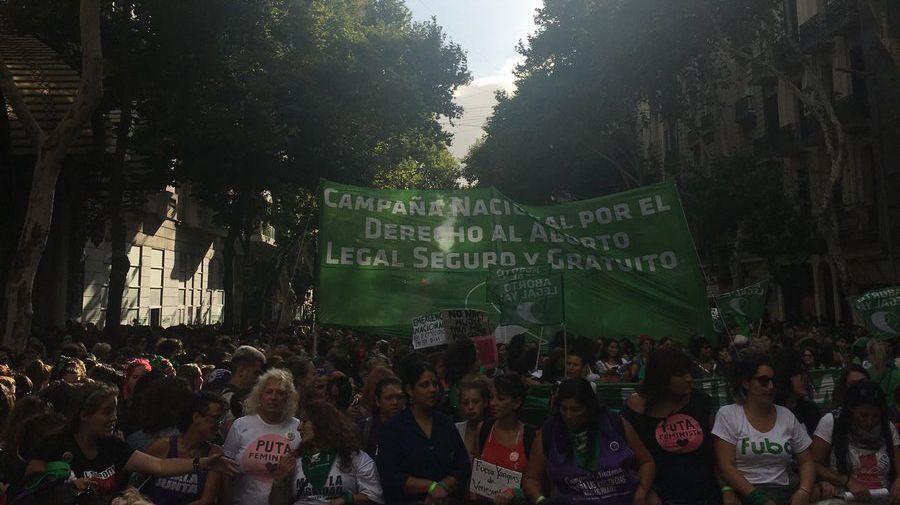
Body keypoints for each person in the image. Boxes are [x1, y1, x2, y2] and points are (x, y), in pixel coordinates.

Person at [25, 381, 237, 499]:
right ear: (84, 415)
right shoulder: (56, 443)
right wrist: (68, 487)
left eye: (115, 411)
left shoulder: (112, 447)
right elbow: (31, 483)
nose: (114, 418)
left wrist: (201, 463)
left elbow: (160, 465)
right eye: (107, 412)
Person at [523, 377, 656, 505]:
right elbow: (531, 478)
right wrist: (540, 500)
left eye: (576, 410)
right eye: (563, 408)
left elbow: (646, 462)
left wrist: (642, 492)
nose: (568, 415)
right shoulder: (548, 432)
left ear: (589, 407)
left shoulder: (615, 424)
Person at [713, 353, 815, 505]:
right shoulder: (728, 415)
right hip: (746, 493)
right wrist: (758, 498)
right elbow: (726, 465)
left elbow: (806, 460)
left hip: (785, 493)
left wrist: (804, 491)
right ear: (746, 382)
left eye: (773, 381)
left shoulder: (786, 415)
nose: (771, 386)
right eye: (763, 381)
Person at [623, 348, 720, 505]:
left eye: (689, 372)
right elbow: (629, 458)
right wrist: (646, 491)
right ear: (662, 378)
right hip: (660, 497)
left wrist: (727, 490)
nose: (689, 379)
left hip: (706, 495)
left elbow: (717, 451)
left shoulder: (701, 402)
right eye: (681, 375)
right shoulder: (636, 408)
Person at [376, 358, 471, 504]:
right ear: (409, 390)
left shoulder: (445, 423)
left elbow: (462, 466)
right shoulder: (394, 428)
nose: (432, 389)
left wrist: (443, 486)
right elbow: (390, 475)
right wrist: (431, 487)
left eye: (434, 384)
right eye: (425, 385)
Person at [269, 400, 384, 505]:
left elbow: (375, 498)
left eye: (304, 421)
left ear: (321, 423)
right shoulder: (293, 461)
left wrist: (348, 500)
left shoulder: (355, 458)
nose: (299, 427)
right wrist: (279, 480)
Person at [810, 380, 900, 502]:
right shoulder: (831, 423)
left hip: (883, 497)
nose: (869, 421)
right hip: (843, 497)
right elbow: (813, 463)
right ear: (851, 409)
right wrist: (846, 481)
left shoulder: (888, 428)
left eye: (875, 416)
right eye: (863, 415)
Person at [223, 368, 301, 505]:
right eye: (269, 392)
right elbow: (225, 473)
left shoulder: (299, 428)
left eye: (280, 393)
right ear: (260, 395)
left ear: (288, 398)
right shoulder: (241, 425)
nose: (273, 397)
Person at [141, 392, 229, 505]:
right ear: (196, 417)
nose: (219, 425)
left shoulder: (214, 453)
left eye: (220, 420)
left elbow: (206, 501)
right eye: (216, 418)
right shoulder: (162, 446)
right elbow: (134, 483)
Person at [476, 373, 536, 504]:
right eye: (491, 397)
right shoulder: (484, 428)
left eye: (501, 398)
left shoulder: (531, 436)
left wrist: (515, 493)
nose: (493, 403)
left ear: (517, 402)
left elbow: (538, 481)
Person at [219, 345, 266, 437]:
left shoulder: (243, 396)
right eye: (256, 373)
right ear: (241, 371)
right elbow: (233, 434)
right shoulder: (228, 398)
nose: (259, 378)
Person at [775, 351, 821, 436]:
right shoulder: (770, 411)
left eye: (805, 372)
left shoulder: (810, 411)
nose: (805, 377)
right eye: (799, 373)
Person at [360, 377, 405, 457]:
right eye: (389, 398)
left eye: (399, 397)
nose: (395, 402)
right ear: (377, 401)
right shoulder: (365, 429)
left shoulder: (411, 427)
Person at [457, 379, 490, 460]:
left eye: (475, 402)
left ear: (485, 402)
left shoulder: (494, 429)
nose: (470, 407)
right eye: (465, 403)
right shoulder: (456, 429)